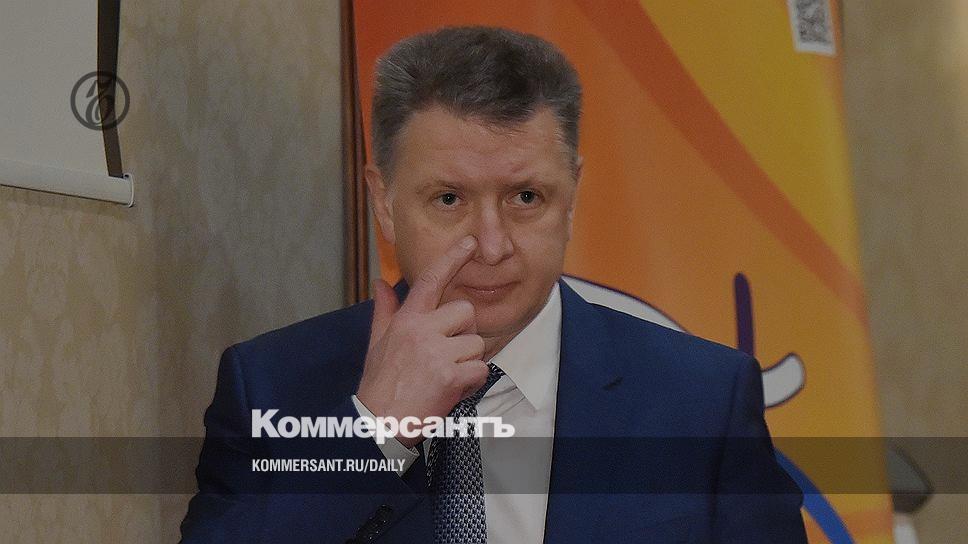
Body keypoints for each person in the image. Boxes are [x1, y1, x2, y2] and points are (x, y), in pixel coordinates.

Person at [180, 26, 808, 543]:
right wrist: (372, 437)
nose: (492, 244)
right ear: (384, 202)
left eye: (526, 197)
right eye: (449, 199)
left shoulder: (704, 400)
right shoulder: (271, 387)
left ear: (572, 196)